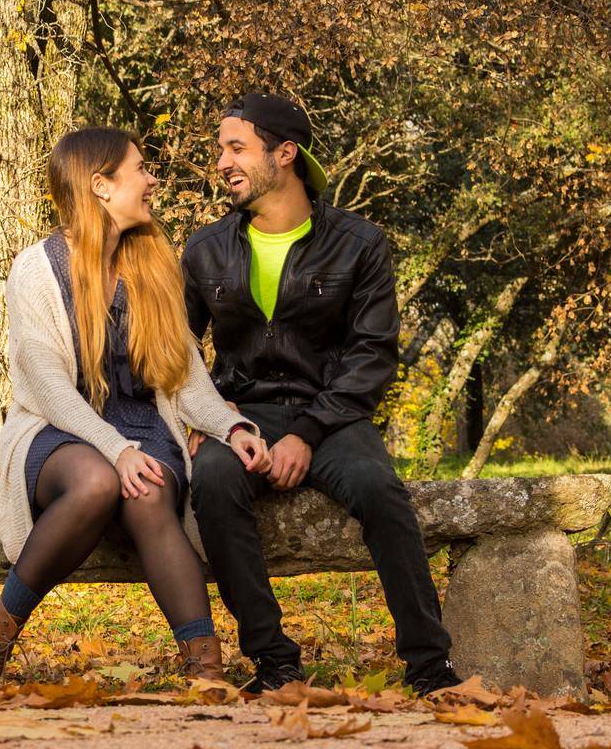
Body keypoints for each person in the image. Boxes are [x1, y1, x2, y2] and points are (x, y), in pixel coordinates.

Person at [0, 126, 271, 691]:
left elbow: (184, 373)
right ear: (100, 185)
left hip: (146, 429)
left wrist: (231, 425)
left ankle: (206, 669)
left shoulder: (151, 263)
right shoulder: (37, 269)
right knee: (100, 481)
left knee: (148, 491)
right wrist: (114, 448)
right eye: (141, 170)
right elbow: (48, 387)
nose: (152, 180)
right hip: (56, 432)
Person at [181, 93, 461, 695]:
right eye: (219, 150)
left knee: (379, 489)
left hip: (331, 415)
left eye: (237, 148)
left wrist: (307, 433)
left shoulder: (359, 244)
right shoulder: (205, 249)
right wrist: (209, 413)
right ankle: (274, 662)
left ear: (285, 154)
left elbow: (371, 355)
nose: (222, 162)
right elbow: (175, 348)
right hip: (241, 414)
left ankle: (430, 666)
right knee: (212, 480)